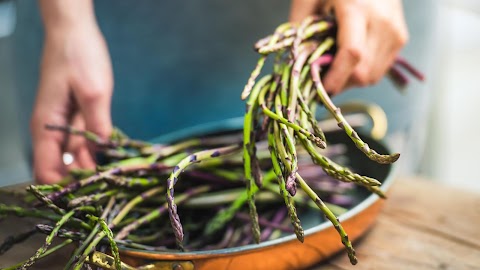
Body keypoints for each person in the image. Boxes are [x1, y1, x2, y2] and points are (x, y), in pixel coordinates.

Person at [32, 0, 408, 184]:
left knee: (354, 165)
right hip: (117, 33)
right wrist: (66, 20)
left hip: (349, 17)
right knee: (93, 170)